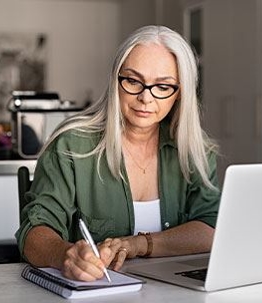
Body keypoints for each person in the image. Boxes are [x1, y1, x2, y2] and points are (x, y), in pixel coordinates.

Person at [15, 25, 220, 282]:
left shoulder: (195, 150)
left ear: (180, 94)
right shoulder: (71, 145)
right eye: (133, 81)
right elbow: (33, 233)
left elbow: (210, 229)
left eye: (163, 86)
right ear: (116, 81)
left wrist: (137, 244)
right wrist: (64, 254)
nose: (146, 98)